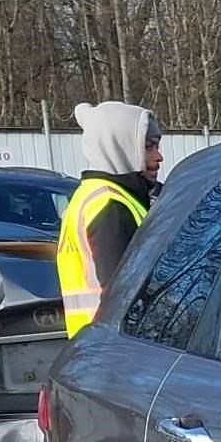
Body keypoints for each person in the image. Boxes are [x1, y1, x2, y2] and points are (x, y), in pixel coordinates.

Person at [57, 101, 163, 335]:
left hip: (95, 346)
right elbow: (124, 295)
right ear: (120, 146)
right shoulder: (110, 205)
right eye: (148, 147)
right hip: (116, 347)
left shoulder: (91, 195)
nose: (159, 157)